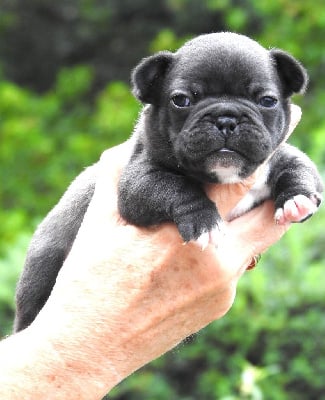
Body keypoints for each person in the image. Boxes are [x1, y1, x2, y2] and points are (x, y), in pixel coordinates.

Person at [0, 106, 301, 400]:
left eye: (264, 101)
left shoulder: (266, 157)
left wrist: (296, 189)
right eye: (185, 101)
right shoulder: (154, 155)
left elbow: (297, 170)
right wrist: (66, 358)